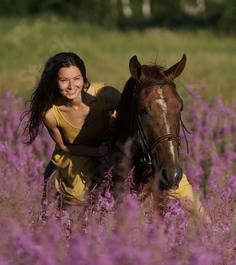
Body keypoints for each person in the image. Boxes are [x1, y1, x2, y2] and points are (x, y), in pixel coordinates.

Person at [21, 52, 211, 223]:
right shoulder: (51, 113)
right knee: (76, 194)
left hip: (110, 140)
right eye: (64, 80)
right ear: (54, 82)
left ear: (83, 78)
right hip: (78, 151)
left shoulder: (105, 95)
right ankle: (68, 231)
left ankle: (210, 226)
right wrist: (96, 151)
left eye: (76, 78)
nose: (72, 86)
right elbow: (64, 146)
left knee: (177, 182)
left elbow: (129, 115)